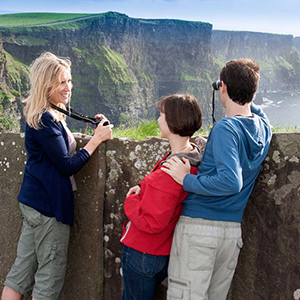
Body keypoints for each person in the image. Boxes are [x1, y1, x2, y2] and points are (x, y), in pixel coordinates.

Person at [1, 52, 113, 300]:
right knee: (48, 281)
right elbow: (66, 165)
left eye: (69, 81)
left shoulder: (46, 112)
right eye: (61, 82)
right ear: (46, 84)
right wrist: (95, 140)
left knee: (20, 275)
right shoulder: (45, 119)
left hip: (34, 203)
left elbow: (57, 149)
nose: (68, 87)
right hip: (48, 208)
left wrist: (94, 125)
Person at [162, 59, 272, 300]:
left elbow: (231, 181)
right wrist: (247, 95)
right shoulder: (263, 128)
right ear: (253, 91)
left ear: (222, 87)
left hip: (200, 229)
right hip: (230, 233)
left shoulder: (226, 129)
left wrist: (185, 180)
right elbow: (257, 111)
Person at [120, 94, 204, 300]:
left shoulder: (172, 170)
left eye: (161, 114)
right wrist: (141, 187)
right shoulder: (188, 156)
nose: (158, 119)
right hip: (161, 250)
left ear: (173, 121)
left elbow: (152, 221)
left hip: (143, 252)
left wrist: (130, 201)